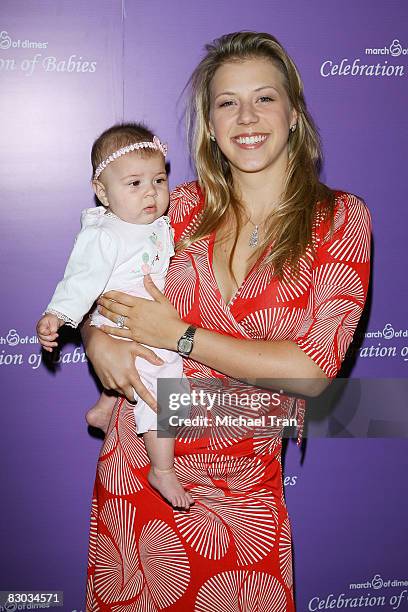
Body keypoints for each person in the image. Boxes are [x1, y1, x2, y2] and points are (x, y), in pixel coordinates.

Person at [82, 32, 371, 610]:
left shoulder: (340, 218)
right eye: (226, 102)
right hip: (138, 476)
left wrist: (180, 336)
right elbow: (103, 285)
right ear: (210, 126)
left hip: (246, 498)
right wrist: (94, 338)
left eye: (264, 98)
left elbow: (312, 373)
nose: (246, 117)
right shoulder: (175, 208)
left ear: (293, 114)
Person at [36, 123, 194, 510]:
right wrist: (58, 313)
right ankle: (162, 468)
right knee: (168, 385)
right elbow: (81, 278)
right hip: (125, 322)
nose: (151, 192)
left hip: (133, 320)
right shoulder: (107, 234)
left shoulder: (152, 223)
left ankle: (105, 406)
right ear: (103, 191)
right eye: (135, 183)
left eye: (159, 179)